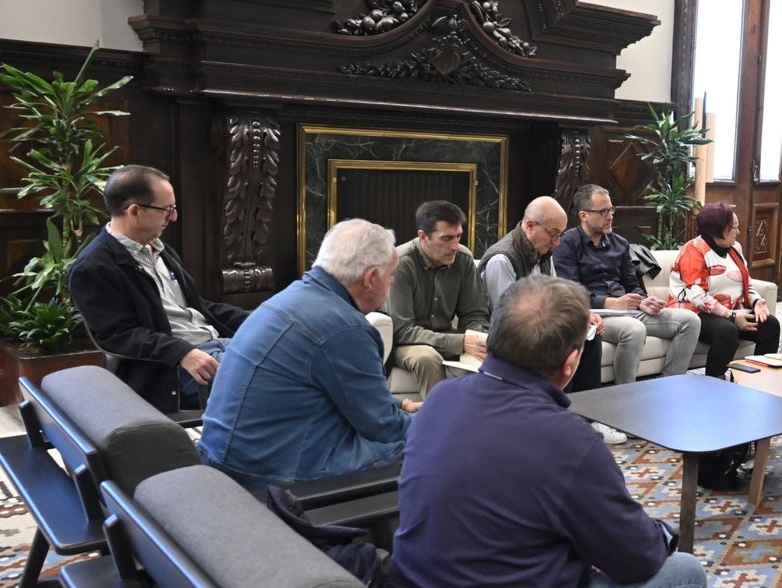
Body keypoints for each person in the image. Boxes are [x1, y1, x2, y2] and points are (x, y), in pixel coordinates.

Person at [386, 275, 706, 588]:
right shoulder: (569, 441)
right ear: (571, 362)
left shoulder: (442, 400)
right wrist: (656, 532)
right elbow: (636, 558)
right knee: (686, 575)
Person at [198, 219, 417, 488]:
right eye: (392, 276)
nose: (392, 284)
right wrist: (438, 420)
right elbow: (383, 427)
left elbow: (343, 394)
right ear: (371, 278)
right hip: (271, 477)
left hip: (222, 459)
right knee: (427, 440)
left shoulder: (288, 298)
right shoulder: (345, 328)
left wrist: (402, 406)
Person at [69, 164, 248, 413]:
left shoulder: (161, 249)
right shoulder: (93, 268)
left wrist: (260, 320)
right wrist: (183, 353)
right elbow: (118, 335)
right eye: (168, 209)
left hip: (217, 345)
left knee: (292, 357)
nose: (174, 217)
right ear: (135, 211)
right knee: (279, 381)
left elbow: (195, 307)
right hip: (174, 369)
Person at [479, 195, 626, 444]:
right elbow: (507, 318)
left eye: (561, 234)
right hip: (511, 336)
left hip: (538, 325)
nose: (558, 242)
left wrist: (583, 315)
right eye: (553, 234)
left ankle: (587, 417)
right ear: (530, 226)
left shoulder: (543, 252)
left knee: (587, 337)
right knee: (561, 343)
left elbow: (557, 294)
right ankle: (554, 419)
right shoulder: (502, 260)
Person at [554, 184, 701, 384]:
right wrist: (609, 303)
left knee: (690, 321)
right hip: (597, 313)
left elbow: (632, 283)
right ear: (584, 215)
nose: (610, 216)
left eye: (611, 210)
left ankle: (670, 385)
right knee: (634, 329)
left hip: (629, 309)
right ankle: (626, 395)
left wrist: (643, 301)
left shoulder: (620, 244)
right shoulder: (567, 244)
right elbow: (570, 292)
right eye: (603, 211)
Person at [389, 200, 491, 398]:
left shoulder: (463, 259)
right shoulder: (401, 263)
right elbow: (401, 331)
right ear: (423, 237)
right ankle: (437, 425)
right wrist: (460, 342)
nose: (455, 246)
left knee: (495, 352)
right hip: (406, 342)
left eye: (458, 237)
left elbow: (475, 313)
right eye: (446, 239)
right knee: (427, 357)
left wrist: (479, 338)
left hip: (448, 335)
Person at [666, 202, 779, 377]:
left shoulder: (735, 248)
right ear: (718, 229)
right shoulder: (694, 250)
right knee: (727, 331)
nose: (738, 232)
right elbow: (697, 296)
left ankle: (758, 380)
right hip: (693, 312)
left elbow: (746, 283)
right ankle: (715, 382)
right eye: (734, 227)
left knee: (770, 325)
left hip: (730, 312)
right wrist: (732, 316)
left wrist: (757, 302)